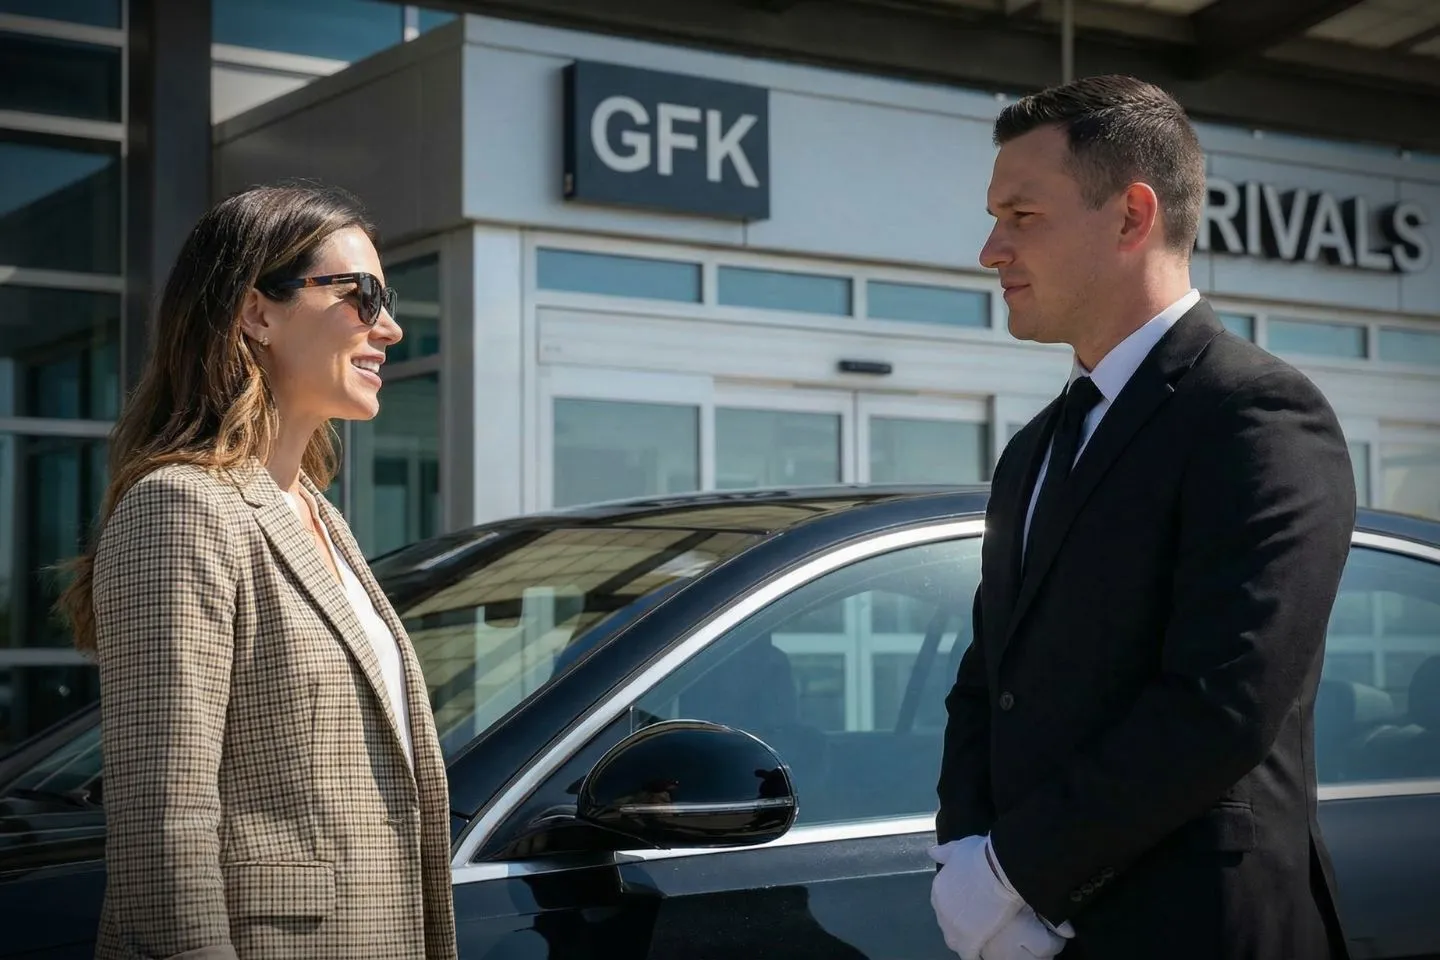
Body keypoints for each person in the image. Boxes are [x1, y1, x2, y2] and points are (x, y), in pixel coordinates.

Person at [931, 76, 1356, 960]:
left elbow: (1220, 705)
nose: (989, 250)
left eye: (1022, 215)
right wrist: (964, 858)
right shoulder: (1037, 447)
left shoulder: (1257, 416)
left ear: (1131, 216)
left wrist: (1017, 875)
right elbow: (990, 676)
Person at [56, 183, 458, 960]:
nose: (391, 326)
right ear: (255, 313)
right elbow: (162, 822)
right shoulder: (182, 508)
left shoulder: (317, 514)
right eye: (361, 294)